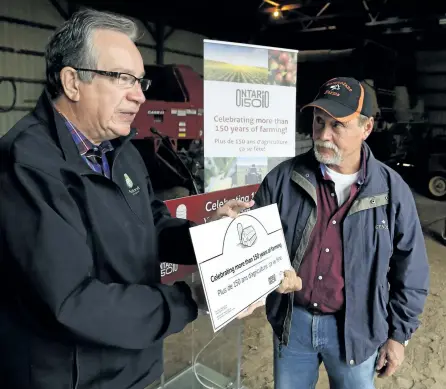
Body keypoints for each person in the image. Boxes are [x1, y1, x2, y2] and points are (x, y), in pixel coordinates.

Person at [0, 9, 302, 389]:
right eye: (123, 78)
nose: (140, 95)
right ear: (73, 82)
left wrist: (211, 240)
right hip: (74, 377)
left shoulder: (118, 150)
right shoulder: (27, 167)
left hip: (136, 366)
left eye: (140, 81)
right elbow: (72, 303)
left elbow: (152, 224)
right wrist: (190, 297)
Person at [252, 77, 430, 389]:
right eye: (318, 121)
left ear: (367, 128)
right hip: (294, 324)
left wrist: (398, 336)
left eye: (337, 125)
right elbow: (253, 251)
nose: (322, 135)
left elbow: (411, 270)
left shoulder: (391, 190)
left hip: (358, 330)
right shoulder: (282, 180)